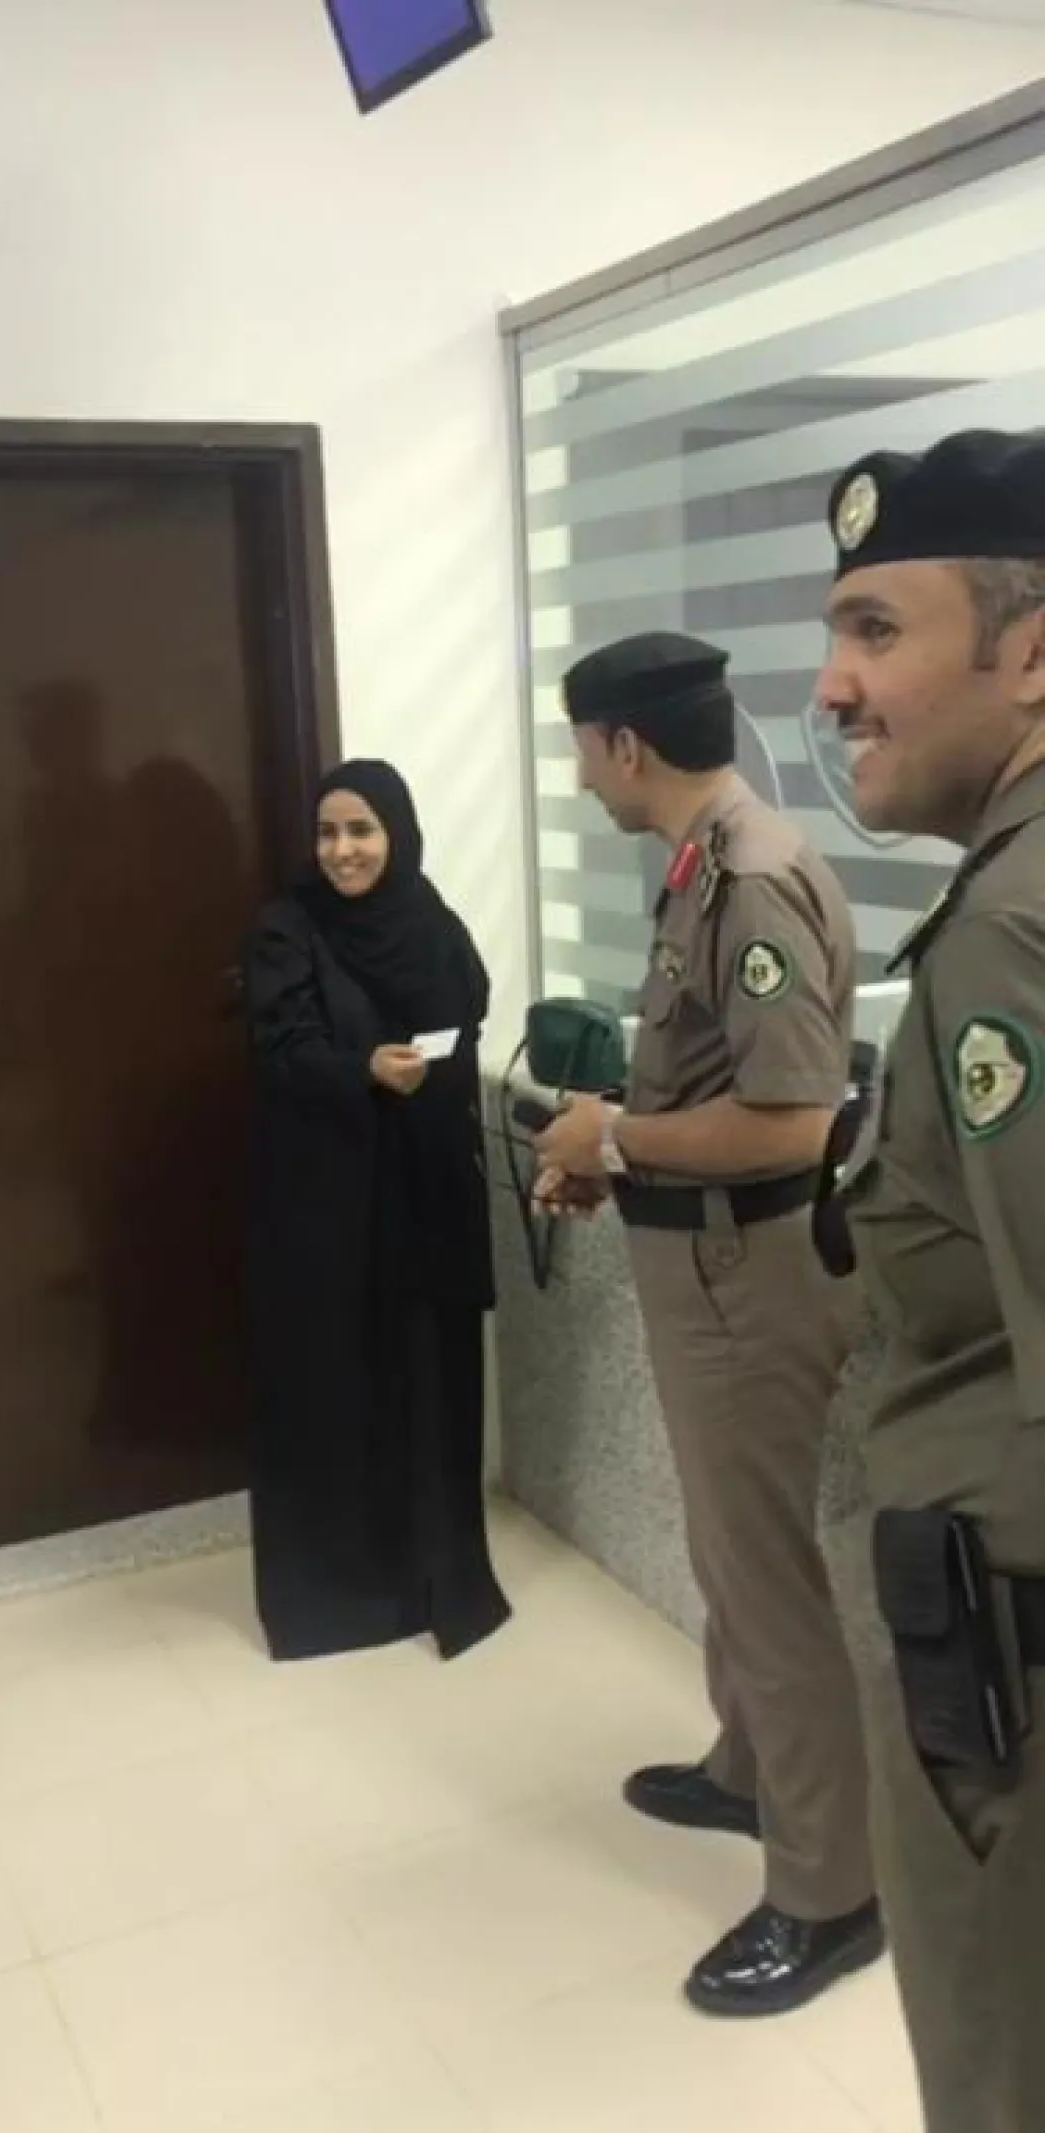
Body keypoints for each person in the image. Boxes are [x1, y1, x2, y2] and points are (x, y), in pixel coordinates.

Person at [535, 633, 878, 2016]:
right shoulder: (700, 866)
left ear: (625, 745)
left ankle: (832, 1892)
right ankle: (749, 1771)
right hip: (704, 1263)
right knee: (726, 1554)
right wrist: (619, 1152)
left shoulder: (753, 877)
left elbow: (792, 1120)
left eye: (583, 749)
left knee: (765, 1576)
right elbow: (708, 1090)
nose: (582, 776)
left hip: (752, 1277)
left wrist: (614, 1136)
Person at [816, 428, 1045, 2132]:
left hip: (1012, 1679)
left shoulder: (1009, 931)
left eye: (878, 629)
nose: (832, 684)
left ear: (1031, 656)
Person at [241, 759, 510, 1662]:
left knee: (430, 1380)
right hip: (334, 1210)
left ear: (397, 834)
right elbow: (282, 1050)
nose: (343, 850)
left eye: (362, 829)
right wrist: (362, 1068)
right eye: (328, 832)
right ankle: (344, 1600)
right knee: (343, 1387)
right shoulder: (287, 930)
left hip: (426, 1196)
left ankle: (437, 1577)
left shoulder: (428, 917)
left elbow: (472, 1002)